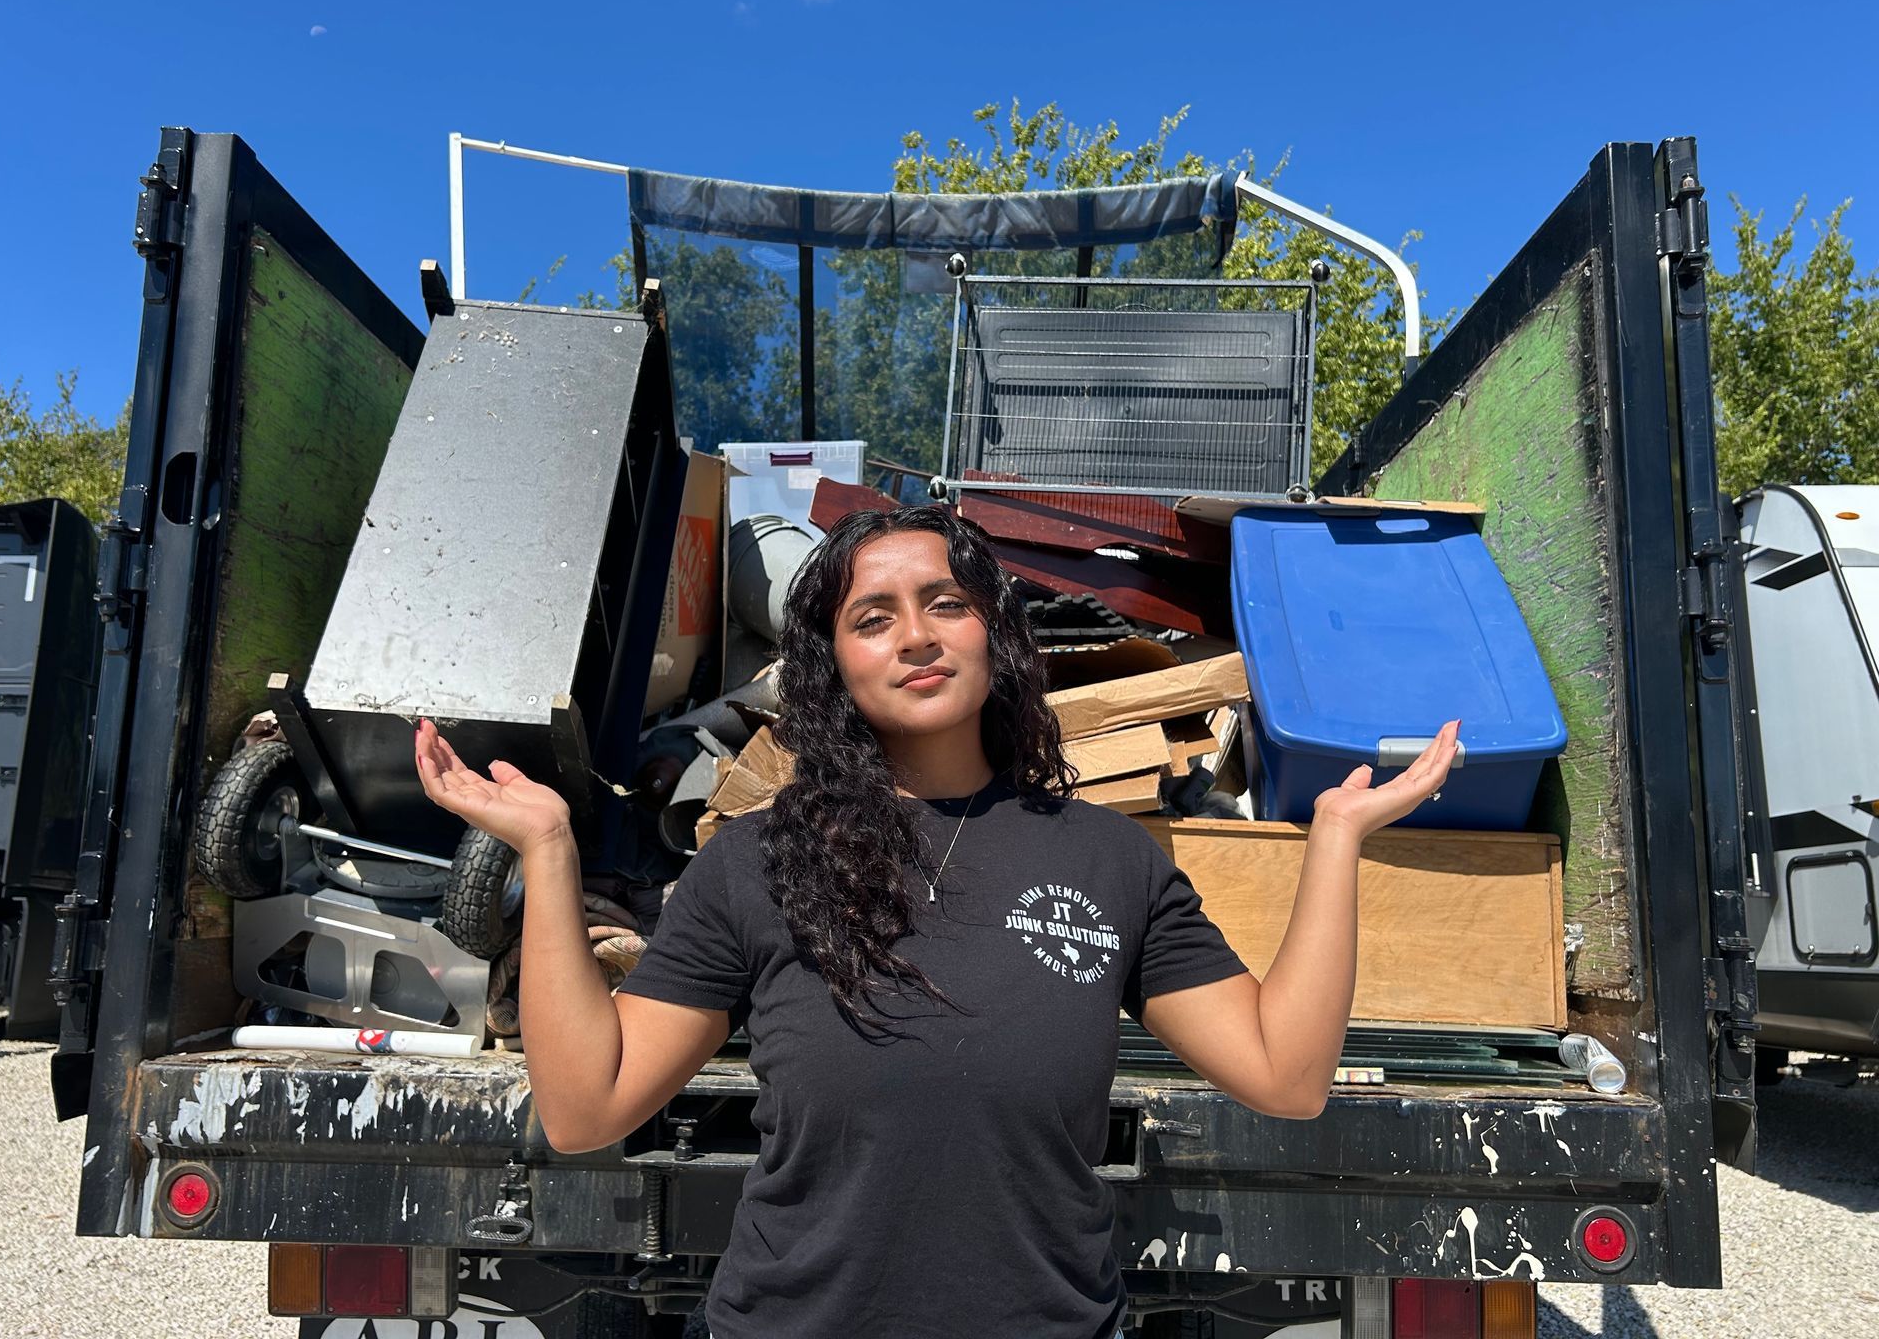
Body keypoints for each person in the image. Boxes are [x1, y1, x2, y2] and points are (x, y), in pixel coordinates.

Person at [413, 503, 1458, 1339]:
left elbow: (1286, 1073)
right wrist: (550, 853)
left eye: (944, 604)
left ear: (995, 636)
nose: (914, 636)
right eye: (873, 618)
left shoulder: (1109, 858)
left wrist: (1335, 838)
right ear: (835, 666)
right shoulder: (759, 860)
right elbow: (587, 1106)